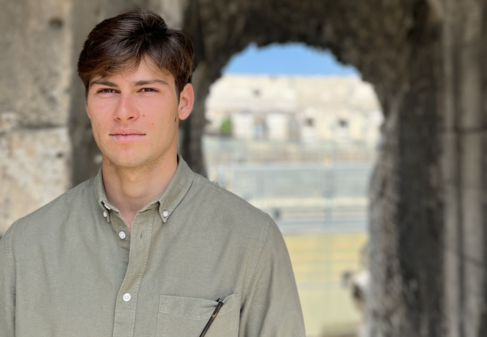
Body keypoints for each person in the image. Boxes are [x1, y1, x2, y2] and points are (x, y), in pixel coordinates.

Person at [0, 9, 305, 337]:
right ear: (87, 103)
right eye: (107, 90)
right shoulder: (24, 247)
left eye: (146, 90)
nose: (124, 112)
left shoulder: (252, 243)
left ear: (184, 102)